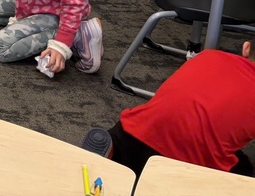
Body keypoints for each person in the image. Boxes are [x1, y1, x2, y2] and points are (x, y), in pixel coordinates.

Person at [82, 43, 255, 178]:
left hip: (136, 133)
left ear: (246, 48)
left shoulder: (209, 55)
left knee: (149, 125)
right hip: (190, 164)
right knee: (243, 172)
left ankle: (114, 151)